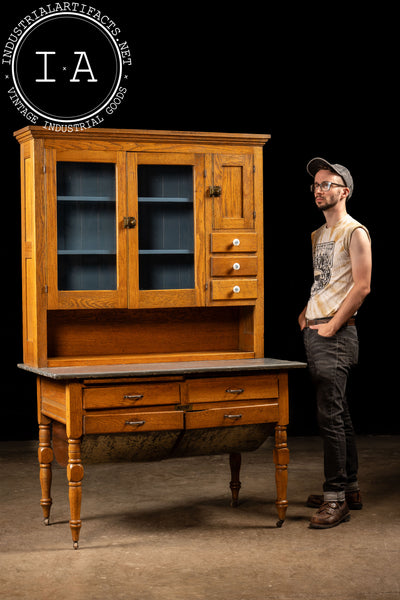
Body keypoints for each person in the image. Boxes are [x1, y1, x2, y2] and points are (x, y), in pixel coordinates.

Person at [298, 157, 372, 529]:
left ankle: (335, 498)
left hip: (336, 332)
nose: (319, 189)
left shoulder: (354, 231)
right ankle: (351, 488)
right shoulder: (318, 235)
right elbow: (327, 282)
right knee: (338, 412)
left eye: (327, 184)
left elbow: (361, 286)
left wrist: (330, 326)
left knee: (330, 416)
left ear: (344, 191)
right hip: (318, 326)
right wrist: (307, 312)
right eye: (316, 184)